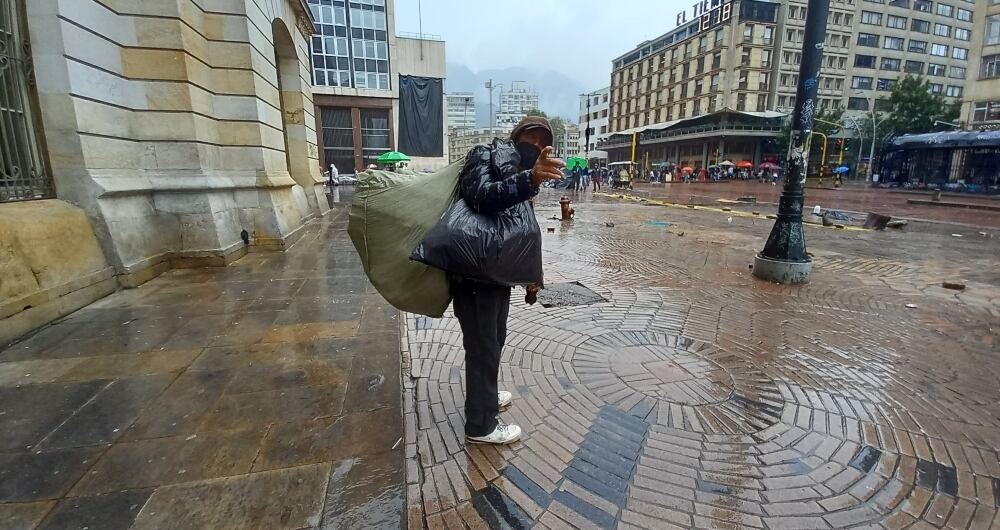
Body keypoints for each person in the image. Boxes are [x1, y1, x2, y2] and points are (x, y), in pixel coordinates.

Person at [452, 116, 564, 444]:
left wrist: (534, 275)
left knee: (494, 339)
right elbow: (480, 196)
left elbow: (525, 230)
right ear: (515, 137)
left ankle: (484, 398)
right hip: (473, 271)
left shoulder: (518, 173)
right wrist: (529, 179)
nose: (536, 148)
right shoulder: (485, 155)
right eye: (531, 140)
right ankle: (481, 425)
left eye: (544, 143)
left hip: (495, 275)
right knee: (482, 345)